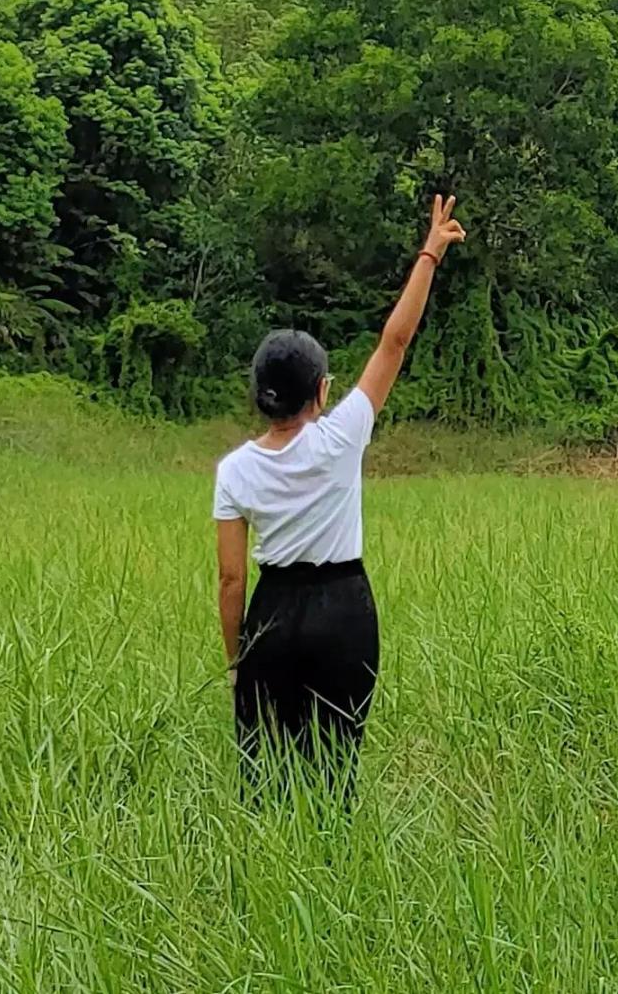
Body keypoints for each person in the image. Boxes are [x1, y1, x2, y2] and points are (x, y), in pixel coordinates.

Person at [213, 193, 466, 791]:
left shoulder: (234, 471)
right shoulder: (342, 436)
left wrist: (237, 658)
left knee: (265, 772)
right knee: (336, 770)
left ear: (258, 393)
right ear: (322, 390)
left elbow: (230, 580)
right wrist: (429, 253)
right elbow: (394, 342)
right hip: (345, 610)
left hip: (271, 614)